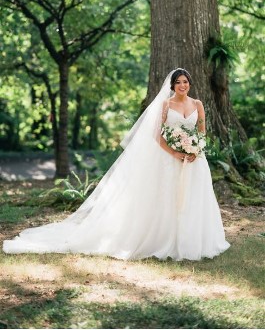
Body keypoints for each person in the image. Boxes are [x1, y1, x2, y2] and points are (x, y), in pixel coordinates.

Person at [3, 68, 230, 260]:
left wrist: (194, 150)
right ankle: (167, 240)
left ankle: (194, 241)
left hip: (194, 161)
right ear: (172, 85)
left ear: (190, 84)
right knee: (168, 199)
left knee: (194, 199)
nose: (183, 85)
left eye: (186, 82)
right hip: (170, 161)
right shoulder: (165, 105)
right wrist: (175, 152)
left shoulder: (197, 104)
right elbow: (157, 135)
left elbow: (202, 133)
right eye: (178, 82)